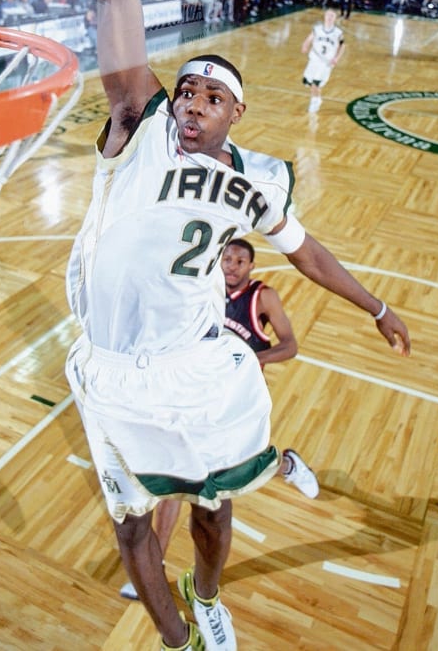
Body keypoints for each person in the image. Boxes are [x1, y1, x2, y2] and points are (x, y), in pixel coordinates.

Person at [65, 0, 410, 651]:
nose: (191, 102)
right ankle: (177, 640)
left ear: (236, 115)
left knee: (214, 512)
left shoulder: (256, 183)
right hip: (112, 368)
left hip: (193, 362)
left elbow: (311, 254)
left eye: (210, 98)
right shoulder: (138, 123)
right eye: (185, 90)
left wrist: (379, 307)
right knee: (130, 533)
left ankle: (207, 593)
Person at [119, 236, 318, 601]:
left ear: (251, 266)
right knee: (177, 477)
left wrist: (262, 358)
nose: (231, 266)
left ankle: (287, 465)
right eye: (227, 259)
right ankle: (155, 564)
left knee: (235, 474)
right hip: (194, 396)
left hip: (235, 402)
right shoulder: (203, 287)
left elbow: (290, 344)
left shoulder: (263, 297)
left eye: (240, 261)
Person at [301, 8, 345, 113]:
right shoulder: (317, 29)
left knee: (316, 82)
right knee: (309, 82)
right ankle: (317, 98)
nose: (329, 18)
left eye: (332, 16)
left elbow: (342, 46)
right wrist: (305, 46)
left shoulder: (338, 32)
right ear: (324, 16)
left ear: (335, 18)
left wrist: (337, 58)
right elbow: (309, 39)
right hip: (314, 59)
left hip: (326, 62)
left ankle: (314, 102)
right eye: (328, 15)